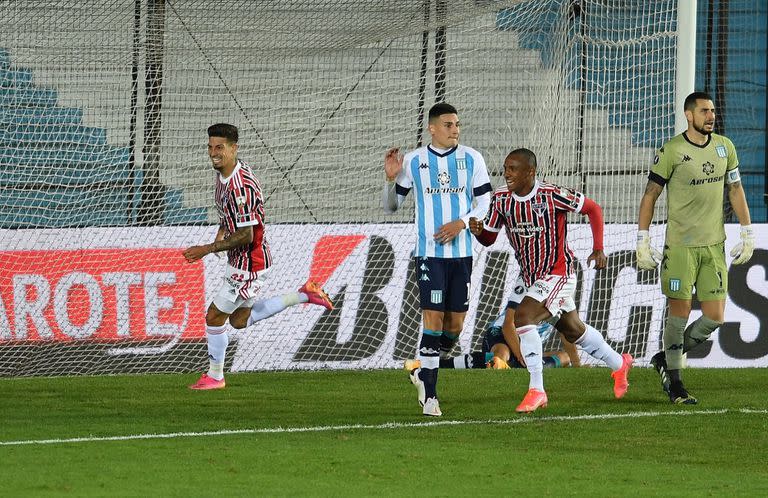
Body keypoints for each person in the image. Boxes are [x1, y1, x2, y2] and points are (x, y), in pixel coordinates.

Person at [469, 148, 633, 413]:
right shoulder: (500, 198)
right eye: (505, 168)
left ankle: (536, 390)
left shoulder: (551, 195)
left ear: (530, 172)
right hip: (531, 276)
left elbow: (593, 208)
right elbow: (489, 238)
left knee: (523, 318)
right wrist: (478, 232)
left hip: (558, 273)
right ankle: (619, 363)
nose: (506, 174)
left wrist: (599, 247)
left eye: (513, 169)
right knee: (574, 330)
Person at [183, 123, 334, 390]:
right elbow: (228, 217)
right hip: (242, 261)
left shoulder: (241, 187)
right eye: (210, 147)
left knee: (214, 317)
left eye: (219, 147)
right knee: (239, 320)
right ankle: (304, 294)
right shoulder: (224, 176)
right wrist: (220, 232)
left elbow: (247, 235)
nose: (213, 153)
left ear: (233, 148)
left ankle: (216, 376)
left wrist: (208, 248)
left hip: (249, 264)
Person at [636, 91, 754, 404]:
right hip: (680, 248)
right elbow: (650, 195)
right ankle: (676, 384)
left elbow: (736, 189)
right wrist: (642, 239)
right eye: (704, 111)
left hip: (714, 246)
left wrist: (747, 231)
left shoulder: (724, 147)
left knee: (714, 316)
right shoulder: (672, 151)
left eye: (712, 110)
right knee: (680, 313)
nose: (711, 116)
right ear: (689, 115)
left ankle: (665, 357)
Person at [383, 103, 492, 416]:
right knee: (432, 319)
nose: (455, 130)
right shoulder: (415, 161)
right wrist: (390, 181)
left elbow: (485, 202)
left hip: (463, 253)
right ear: (432, 128)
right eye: (448, 125)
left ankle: (422, 370)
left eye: (456, 124)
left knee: (454, 326)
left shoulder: (472, 158)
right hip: (430, 255)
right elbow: (391, 207)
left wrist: (461, 222)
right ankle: (430, 396)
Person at [404, 305, 578, 372]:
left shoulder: (559, 304)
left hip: (526, 347)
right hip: (500, 335)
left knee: (565, 357)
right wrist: (521, 356)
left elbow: (566, 334)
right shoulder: (529, 295)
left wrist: (577, 365)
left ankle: (507, 365)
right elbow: (507, 326)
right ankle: (428, 365)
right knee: (502, 355)